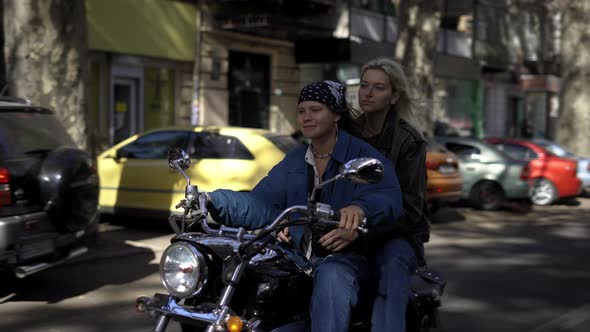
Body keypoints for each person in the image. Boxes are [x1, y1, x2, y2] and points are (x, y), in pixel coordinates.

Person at [205, 80, 403, 332]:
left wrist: (360, 209)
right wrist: (212, 200)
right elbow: (259, 202)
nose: (306, 117)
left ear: (336, 115)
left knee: (332, 276)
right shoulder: (296, 159)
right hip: (298, 256)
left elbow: (387, 196)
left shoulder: (361, 155)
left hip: (349, 258)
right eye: (301, 111)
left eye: (316, 109)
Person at [356, 57, 431, 332]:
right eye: (364, 85)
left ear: (394, 96)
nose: (368, 93)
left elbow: (410, 210)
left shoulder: (409, 140)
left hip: (395, 234)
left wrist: (360, 230)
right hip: (342, 226)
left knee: (391, 265)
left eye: (378, 87)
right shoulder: (344, 130)